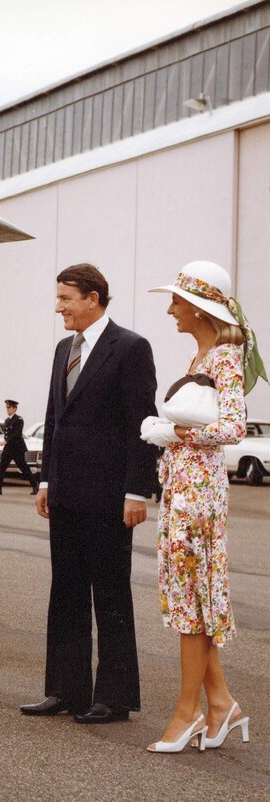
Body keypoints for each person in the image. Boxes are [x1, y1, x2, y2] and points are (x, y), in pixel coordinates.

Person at [25, 263, 158, 724]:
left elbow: (141, 425)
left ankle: (114, 697)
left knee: (110, 594)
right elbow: (54, 416)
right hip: (65, 493)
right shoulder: (65, 348)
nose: (58, 306)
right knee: (66, 593)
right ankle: (65, 689)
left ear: (93, 298)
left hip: (108, 498)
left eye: (65, 298)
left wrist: (137, 492)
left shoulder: (130, 348)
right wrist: (45, 480)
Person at [139, 260, 264, 752]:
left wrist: (177, 433)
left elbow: (234, 427)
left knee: (192, 602)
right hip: (183, 491)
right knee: (190, 598)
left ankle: (188, 712)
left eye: (177, 301)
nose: (171, 309)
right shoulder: (203, 356)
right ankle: (221, 704)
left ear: (198, 307)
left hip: (199, 496)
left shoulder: (225, 356)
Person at [0, 400, 37, 495]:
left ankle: (35, 486)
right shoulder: (7, 420)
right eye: (7, 407)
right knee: (1, 467)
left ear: (14, 408)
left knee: (24, 468)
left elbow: (17, 434)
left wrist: (6, 441)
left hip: (17, 448)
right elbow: (6, 433)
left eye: (9, 408)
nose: (8, 409)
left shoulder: (19, 419)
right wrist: (6, 442)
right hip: (8, 448)